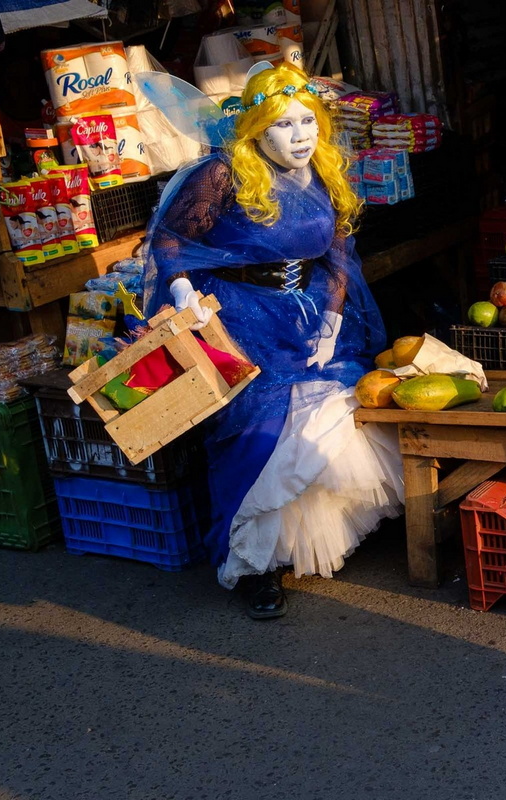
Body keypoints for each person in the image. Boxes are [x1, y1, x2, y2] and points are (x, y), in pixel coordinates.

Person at [144, 62, 403, 619]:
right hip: (236, 315)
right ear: (258, 128)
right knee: (255, 433)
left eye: (309, 121)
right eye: (285, 125)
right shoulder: (220, 174)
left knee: (323, 419)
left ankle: (298, 545)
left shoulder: (327, 171)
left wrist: (333, 321)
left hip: (307, 315)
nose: (302, 135)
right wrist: (184, 288)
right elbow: (168, 241)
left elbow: (338, 258)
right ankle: (252, 567)